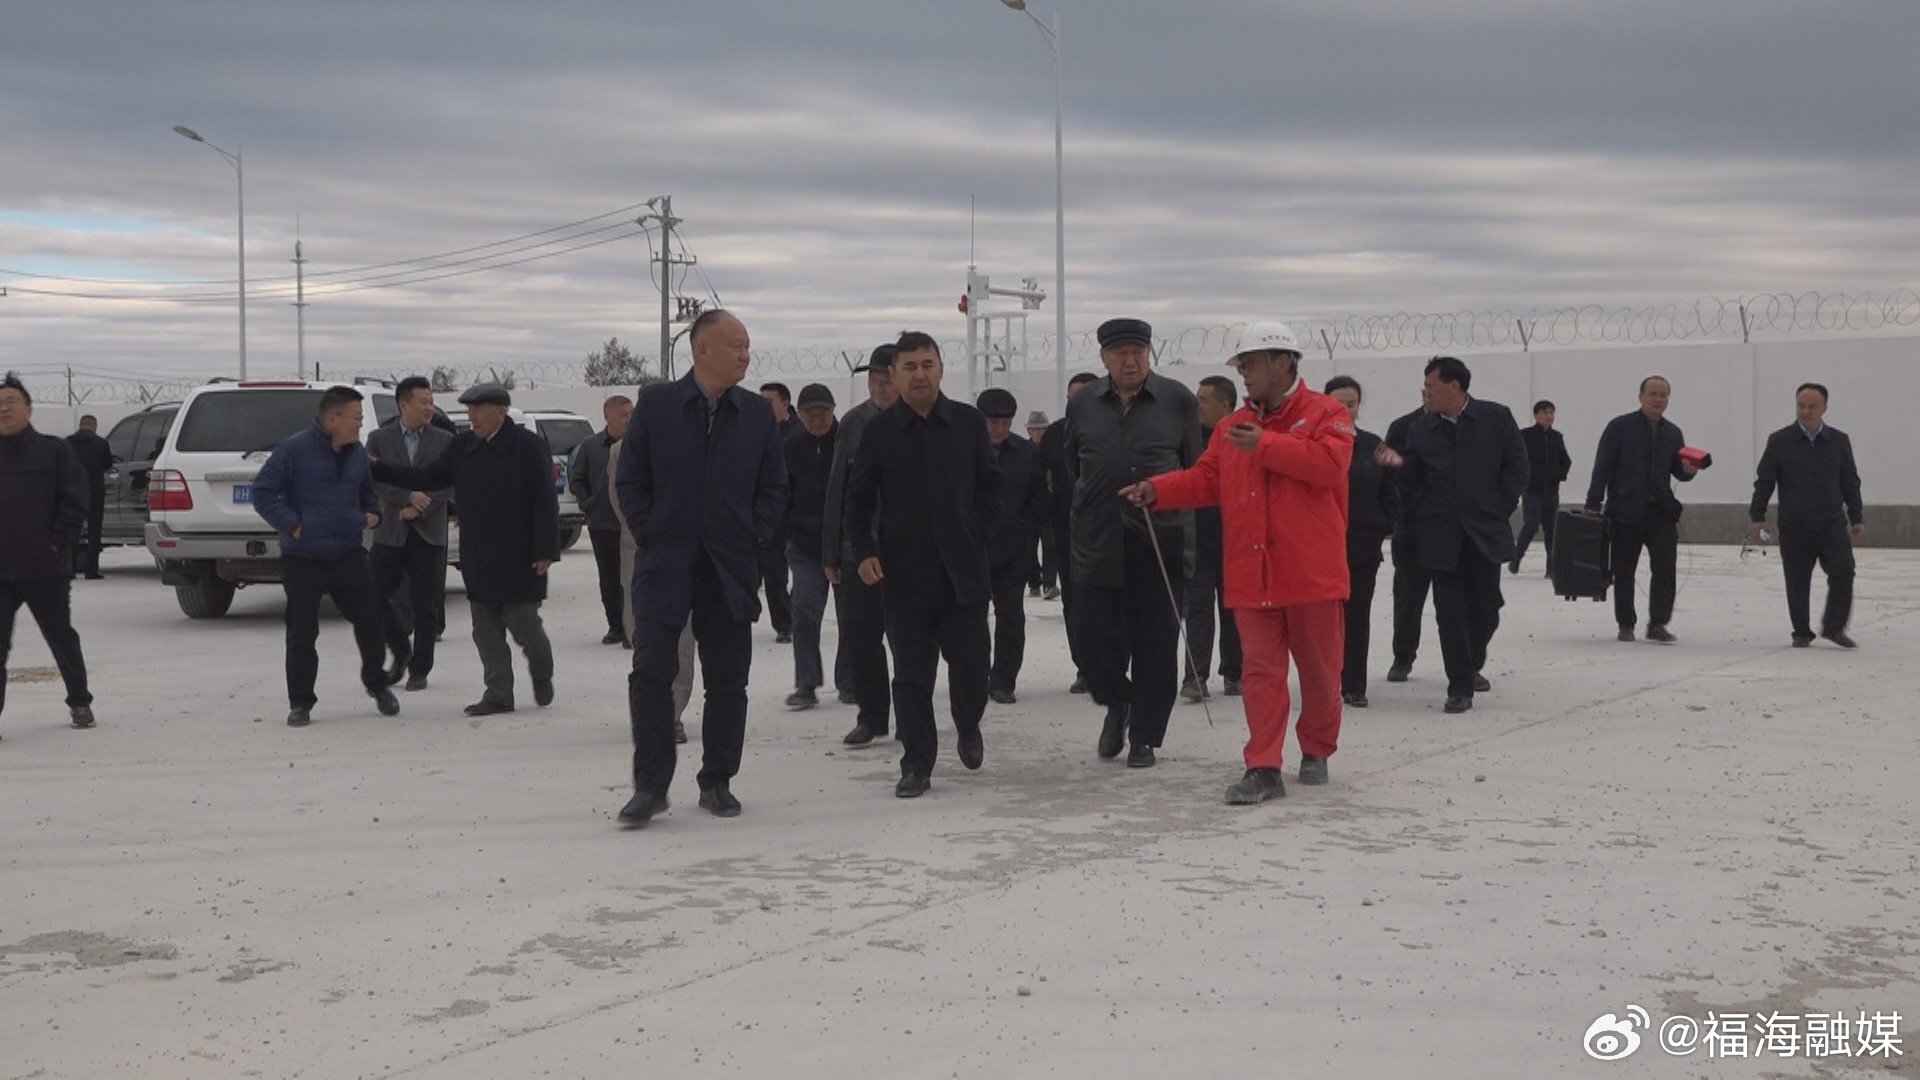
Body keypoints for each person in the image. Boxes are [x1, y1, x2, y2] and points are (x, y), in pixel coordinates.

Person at [1123, 321, 1352, 804]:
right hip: (1251, 573)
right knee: (1260, 673)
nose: (1244, 374)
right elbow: (1207, 479)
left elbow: (1329, 466)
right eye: (1241, 366)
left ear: (1283, 361)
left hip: (1311, 573)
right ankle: (1263, 765)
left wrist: (1265, 445)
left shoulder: (1326, 413)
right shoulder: (1230, 428)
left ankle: (1316, 749)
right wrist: (1158, 490)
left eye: (1250, 365)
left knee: (1319, 669)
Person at [616, 310, 789, 825]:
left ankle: (717, 780)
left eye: (748, 346)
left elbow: (775, 486)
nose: (746, 355)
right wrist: (653, 532)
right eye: (736, 345)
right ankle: (650, 786)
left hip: (729, 566)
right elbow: (631, 480)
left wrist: (752, 535)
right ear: (702, 350)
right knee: (651, 674)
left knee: (728, 678)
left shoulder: (757, 413)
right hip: (664, 564)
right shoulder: (657, 406)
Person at [845, 332, 1001, 798]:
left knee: (972, 665)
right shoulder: (880, 431)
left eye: (927, 364)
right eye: (908, 366)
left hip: (963, 574)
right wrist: (865, 551)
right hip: (904, 575)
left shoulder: (969, 424)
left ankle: (968, 722)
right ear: (893, 375)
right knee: (911, 675)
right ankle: (916, 763)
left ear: (940, 368)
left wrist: (977, 535)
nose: (919, 374)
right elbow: (858, 498)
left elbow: (992, 489)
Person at [371, 383, 561, 716]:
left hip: (520, 555)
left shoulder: (528, 447)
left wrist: (545, 549)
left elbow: (545, 501)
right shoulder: (463, 446)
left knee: (524, 624)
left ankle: (542, 671)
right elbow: (425, 476)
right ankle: (499, 692)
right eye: (469, 410)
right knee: (485, 629)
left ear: (500, 411)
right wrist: (378, 467)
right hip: (479, 553)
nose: (470, 416)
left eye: (477, 409)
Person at [1065, 318, 1203, 768]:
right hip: (1097, 538)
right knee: (1089, 635)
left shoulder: (1177, 400)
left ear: (1149, 353)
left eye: (1137, 352)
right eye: (1120, 353)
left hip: (1158, 541)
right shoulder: (1083, 403)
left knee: (1155, 643)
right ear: (1103, 358)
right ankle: (1118, 701)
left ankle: (1145, 735)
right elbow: (1073, 465)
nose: (1130, 360)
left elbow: (1195, 469)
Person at [250, 385, 400, 727]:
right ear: (333, 419)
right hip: (303, 557)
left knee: (370, 622)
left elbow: (367, 494)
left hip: (347, 554)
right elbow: (262, 492)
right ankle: (301, 702)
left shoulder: (357, 453)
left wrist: (371, 514)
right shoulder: (294, 450)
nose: (360, 426)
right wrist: (292, 525)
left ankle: (377, 684)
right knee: (302, 631)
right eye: (356, 418)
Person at [1388, 356, 1528, 714]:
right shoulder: (1421, 429)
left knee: (1486, 608)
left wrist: (1499, 506)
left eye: (1431, 386)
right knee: (1449, 612)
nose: (1426, 393)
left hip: (1484, 530)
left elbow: (1516, 466)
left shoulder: (1496, 418)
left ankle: (1472, 660)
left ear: (1454, 386)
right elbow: (1414, 479)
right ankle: (1459, 685)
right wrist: (1396, 465)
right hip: (1440, 534)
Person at [0, 372, 96, 734]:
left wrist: (57, 543)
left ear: (28, 408)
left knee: (60, 637)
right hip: (0, 571)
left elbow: (76, 500)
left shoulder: (54, 451)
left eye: (11, 401)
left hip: (45, 568)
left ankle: (80, 701)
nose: (4, 408)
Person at [821, 345, 900, 744]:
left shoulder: (919, 421)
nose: (880, 389)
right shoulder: (854, 423)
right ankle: (872, 716)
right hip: (858, 551)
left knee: (908, 641)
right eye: (874, 381)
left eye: (887, 381)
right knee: (861, 638)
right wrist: (831, 552)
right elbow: (838, 486)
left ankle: (910, 714)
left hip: (906, 553)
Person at [1583, 375, 1699, 643]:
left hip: (1661, 512)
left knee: (1665, 568)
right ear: (1640, 396)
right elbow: (1603, 466)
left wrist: (1688, 471)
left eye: (1663, 395)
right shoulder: (1619, 427)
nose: (1658, 399)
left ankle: (1658, 623)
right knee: (1624, 570)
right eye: (1653, 394)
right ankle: (1626, 624)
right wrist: (1593, 502)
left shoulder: (1673, 433)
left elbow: (1678, 471)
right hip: (1625, 512)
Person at [1749, 383, 1865, 648]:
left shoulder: (1838, 441)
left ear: (1825, 408)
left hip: (1831, 523)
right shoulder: (1780, 441)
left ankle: (1834, 627)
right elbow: (1764, 481)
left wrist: (1856, 516)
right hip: (1795, 525)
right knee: (1797, 579)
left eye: (1812, 406)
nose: (1806, 411)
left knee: (1844, 571)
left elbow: (1850, 481)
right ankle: (1801, 631)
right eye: (1801, 405)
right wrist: (1758, 514)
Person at [366, 376, 453, 692]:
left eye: (431, 401)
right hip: (390, 531)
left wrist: (421, 506)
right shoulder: (379, 439)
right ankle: (401, 650)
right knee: (373, 596)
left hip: (429, 533)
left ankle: (420, 669)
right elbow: (372, 481)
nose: (429, 407)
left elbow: (449, 483)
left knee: (425, 603)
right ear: (403, 405)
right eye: (423, 402)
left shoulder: (445, 440)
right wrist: (404, 498)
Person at [609, 431, 694, 744]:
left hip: (686, 552)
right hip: (639, 552)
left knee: (682, 636)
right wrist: (647, 534)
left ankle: (672, 713)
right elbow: (619, 498)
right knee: (642, 633)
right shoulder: (621, 450)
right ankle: (648, 708)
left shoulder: (693, 441)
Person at [1325, 376, 1398, 709]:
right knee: (1323, 623)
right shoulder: (1310, 442)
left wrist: (1382, 524)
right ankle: (1323, 683)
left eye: (1351, 404)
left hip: (1362, 548)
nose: (1344, 409)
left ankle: (1353, 685)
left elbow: (1393, 489)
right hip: (1321, 548)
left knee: (1356, 619)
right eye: (1338, 403)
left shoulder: (1373, 445)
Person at [979, 387, 1048, 705]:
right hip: (973, 552)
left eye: (1005, 422)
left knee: (1010, 618)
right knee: (971, 621)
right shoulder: (963, 452)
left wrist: (1025, 532)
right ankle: (975, 677)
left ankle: (1003, 680)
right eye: (993, 422)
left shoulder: (1025, 453)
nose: (999, 428)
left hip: (1013, 551)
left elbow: (1038, 496)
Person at [1182, 374, 1244, 702]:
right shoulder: (1189, 438)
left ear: (1225, 404)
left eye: (1204, 400)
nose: (1198, 406)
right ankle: (1195, 676)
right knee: (1198, 609)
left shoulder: (1241, 437)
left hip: (1235, 538)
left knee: (1234, 608)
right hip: (1197, 537)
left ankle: (1234, 673)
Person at [1042, 372, 1100, 690]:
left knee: (1108, 602)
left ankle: (1111, 665)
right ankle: (1084, 668)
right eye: (1071, 398)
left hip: (1108, 533)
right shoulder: (1053, 435)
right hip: (1066, 534)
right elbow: (1039, 482)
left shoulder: (1117, 428)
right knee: (1074, 602)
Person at [783, 383, 839, 709]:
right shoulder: (791, 447)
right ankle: (806, 682)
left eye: (824, 413)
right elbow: (781, 494)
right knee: (803, 610)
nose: (818, 420)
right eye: (811, 415)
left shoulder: (849, 442)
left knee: (852, 619)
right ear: (801, 416)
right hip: (804, 546)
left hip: (846, 545)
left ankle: (849, 681)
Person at [569, 394, 634, 645]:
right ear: (607, 416)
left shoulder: (637, 445)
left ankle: (633, 629)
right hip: (602, 524)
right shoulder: (590, 447)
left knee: (631, 579)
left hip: (630, 526)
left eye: (631, 413)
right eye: (623, 415)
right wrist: (589, 506)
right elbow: (577, 480)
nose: (629, 419)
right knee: (609, 578)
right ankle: (615, 626)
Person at [1383, 389, 1431, 683]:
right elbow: (1389, 473)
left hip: (1453, 529)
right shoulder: (1403, 427)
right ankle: (1402, 657)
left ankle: (1468, 663)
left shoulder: (1465, 427)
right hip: (1411, 529)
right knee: (1407, 599)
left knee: (1459, 604)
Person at [1511, 400, 1572, 575]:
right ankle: (1516, 557)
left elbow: (1565, 461)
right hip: (1532, 490)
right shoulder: (1526, 436)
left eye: (1552, 413)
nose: (1549, 416)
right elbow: (1516, 458)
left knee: (1552, 529)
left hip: (1551, 492)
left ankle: (1551, 567)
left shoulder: (1556, 437)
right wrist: (1523, 477)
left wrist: (1558, 475)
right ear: (1536, 415)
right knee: (1531, 523)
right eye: (1545, 412)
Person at [758, 382, 797, 645]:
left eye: (769, 400)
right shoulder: (757, 431)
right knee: (773, 573)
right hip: (771, 514)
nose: (764, 406)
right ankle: (784, 623)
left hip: (800, 513)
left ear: (785, 403)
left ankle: (798, 610)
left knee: (808, 573)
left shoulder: (801, 430)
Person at [64, 415, 113, 580]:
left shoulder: (67, 442)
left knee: (72, 531)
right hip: (94, 492)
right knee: (94, 532)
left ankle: (69, 570)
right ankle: (91, 571)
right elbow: (107, 464)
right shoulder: (101, 443)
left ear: (80, 425)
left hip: (73, 493)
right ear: (94, 426)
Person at [1024, 409, 1055, 598]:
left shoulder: (1052, 451)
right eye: (1036, 429)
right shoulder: (1023, 451)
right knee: (1028, 547)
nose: (1039, 432)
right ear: (1029, 431)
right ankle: (1034, 581)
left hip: (1050, 505)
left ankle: (1050, 584)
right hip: (1029, 506)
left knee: (1051, 546)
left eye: (1043, 429)